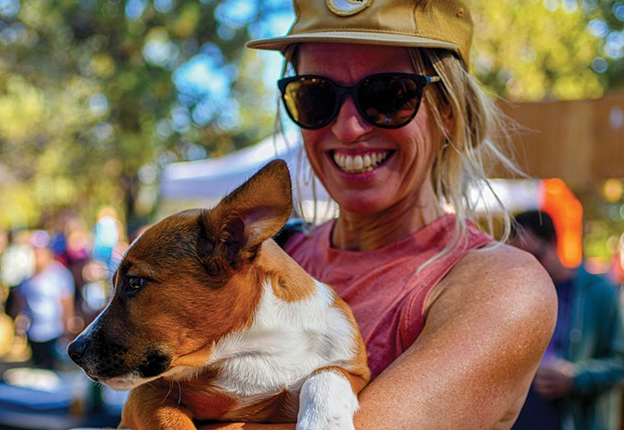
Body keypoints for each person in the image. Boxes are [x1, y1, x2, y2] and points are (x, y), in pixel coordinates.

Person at [200, 0, 557, 428]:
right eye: (315, 95)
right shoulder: (272, 253)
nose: (348, 128)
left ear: (448, 109)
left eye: (388, 94)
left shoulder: (500, 286)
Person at [510, 210, 624, 430]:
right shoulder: (517, 293)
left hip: (573, 417)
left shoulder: (598, 293)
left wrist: (575, 377)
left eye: (535, 257)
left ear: (553, 242)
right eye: (520, 261)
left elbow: (619, 363)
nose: (530, 268)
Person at [13, 230, 76, 369]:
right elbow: (21, 304)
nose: (37, 254)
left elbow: (67, 306)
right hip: (34, 333)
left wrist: (67, 333)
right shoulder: (27, 276)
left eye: (41, 250)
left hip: (54, 333)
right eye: (35, 250)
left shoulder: (61, 275)